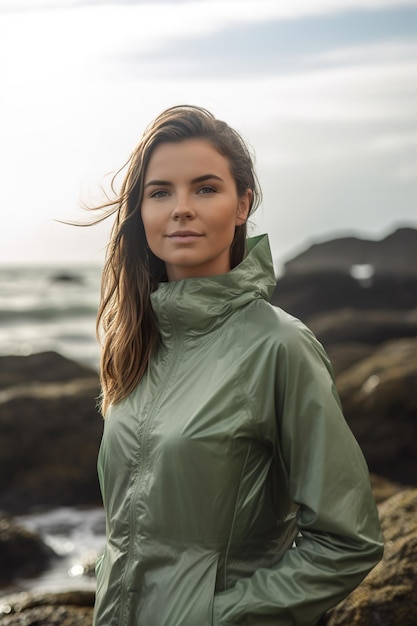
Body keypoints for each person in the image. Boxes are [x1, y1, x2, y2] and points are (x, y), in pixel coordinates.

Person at [91, 105, 383, 626]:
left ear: (242, 203)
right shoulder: (133, 345)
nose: (181, 208)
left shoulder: (280, 347)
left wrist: (219, 616)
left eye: (205, 188)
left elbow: (347, 541)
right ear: (141, 212)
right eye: (160, 192)